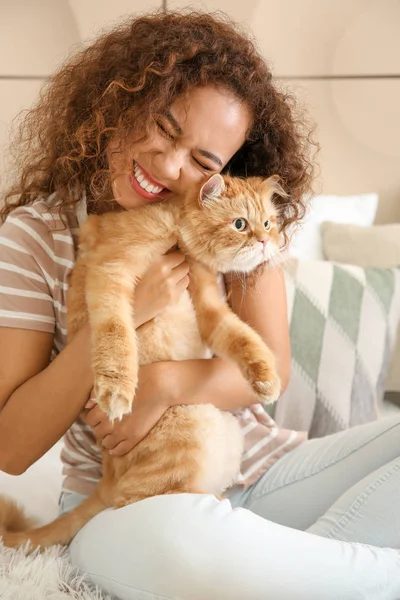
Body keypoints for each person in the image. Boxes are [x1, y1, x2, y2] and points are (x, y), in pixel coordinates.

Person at [0, 10, 399, 600]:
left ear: (225, 179)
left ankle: (304, 566)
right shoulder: (36, 235)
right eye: (163, 127)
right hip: (136, 502)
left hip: (264, 473)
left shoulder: (230, 226)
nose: (167, 165)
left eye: (203, 162)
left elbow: (268, 375)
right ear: (120, 98)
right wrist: (128, 314)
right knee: (182, 551)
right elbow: (11, 446)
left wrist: (161, 383)